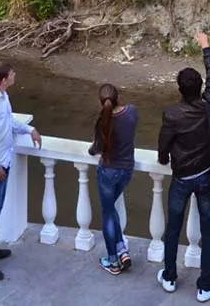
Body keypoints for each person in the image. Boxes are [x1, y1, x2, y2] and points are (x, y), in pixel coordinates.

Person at [157, 32, 210, 302]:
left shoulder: (171, 114)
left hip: (181, 179)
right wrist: (206, 46)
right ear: (199, 88)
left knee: (173, 229)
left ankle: (169, 277)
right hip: (207, 175)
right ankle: (205, 286)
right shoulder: (207, 104)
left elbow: (164, 145)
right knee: (208, 232)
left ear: (179, 90)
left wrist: (163, 159)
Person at [0, 62, 42, 281]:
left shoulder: (3, 97)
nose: (14, 75)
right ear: (4, 79)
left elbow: (9, 121)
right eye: (12, 73)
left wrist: (29, 129)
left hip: (3, 162)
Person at [88, 82, 138, 275]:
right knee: (110, 209)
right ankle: (121, 250)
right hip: (126, 170)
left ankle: (113, 261)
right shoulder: (132, 112)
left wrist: (95, 143)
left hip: (108, 172)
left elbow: (95, 149)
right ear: (119, 97)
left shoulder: (103, 122)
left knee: (107, 211)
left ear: (101, 102)